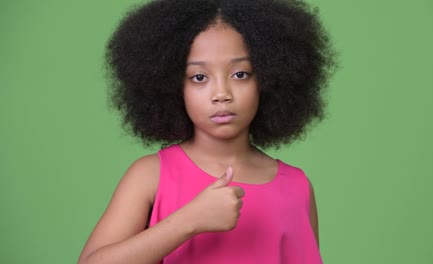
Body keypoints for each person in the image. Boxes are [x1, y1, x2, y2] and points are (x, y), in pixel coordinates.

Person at [78, 0, 336, 263]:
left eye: (240, 74)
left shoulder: (297, 187)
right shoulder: (151, 175)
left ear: (269, 79)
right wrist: (189, 221)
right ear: (172, 86)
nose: (222, 94)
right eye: (199, 77)